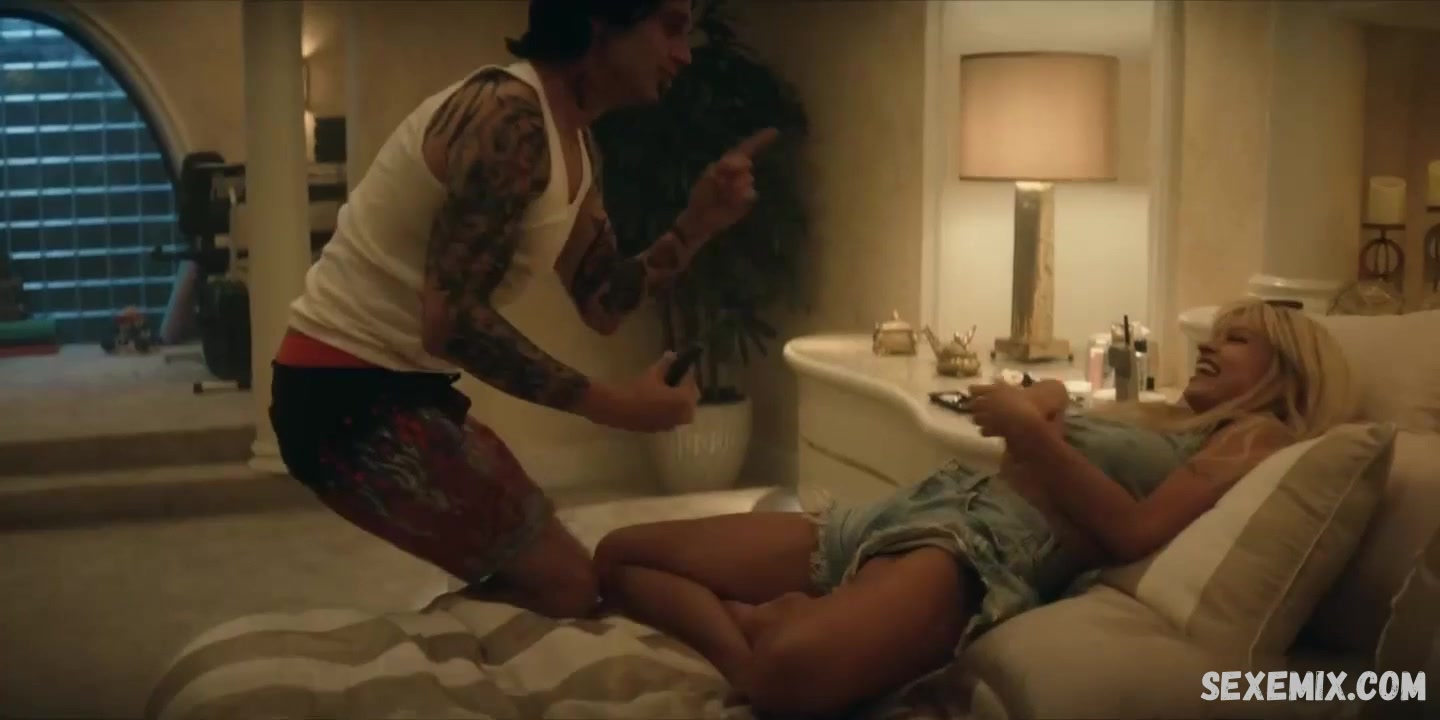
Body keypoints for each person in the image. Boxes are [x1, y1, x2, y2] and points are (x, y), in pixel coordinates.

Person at [594, 298, 1358, 716]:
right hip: (917, 507)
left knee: (787, 675)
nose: (1212, 346)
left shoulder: (1255, 436)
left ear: (1287, 366)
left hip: (979, 550)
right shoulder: (1156, 412)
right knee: (620, 556)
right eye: (1215, 335)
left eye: (1238, 340)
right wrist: (1049, 395)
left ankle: (766, 640)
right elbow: (1054, 413)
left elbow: (1133, 530)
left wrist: (1030, 427)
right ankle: (765, 630)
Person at [268, 0, 777, 620]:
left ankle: (441, 653)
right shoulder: (508, 118)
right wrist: (616, 406)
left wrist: (697, 224)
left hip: (401, 386)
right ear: (600, 20)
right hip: (340, 393)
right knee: (564, 585)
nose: (684, 53)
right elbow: (451, 320)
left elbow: (603, 300)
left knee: (557, 580)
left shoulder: (574, 141)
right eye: (669, 26)